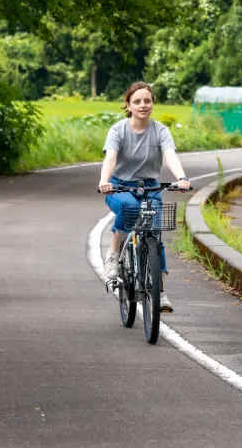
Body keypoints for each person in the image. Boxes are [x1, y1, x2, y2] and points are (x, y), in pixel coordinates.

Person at [98, 81, 191, 313]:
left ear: (153, 103)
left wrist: (181, 178)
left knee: (155, 236)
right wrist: (104, 181)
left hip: (150, 188)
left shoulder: (160, 130)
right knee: (129, 209)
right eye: (137, 101)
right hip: (119, 187)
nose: (143, 105)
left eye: (147, 101)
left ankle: (160, 292)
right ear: (128, 105)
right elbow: (110, 158)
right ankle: (114, 252)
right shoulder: (118, 130)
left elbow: (170, 156)